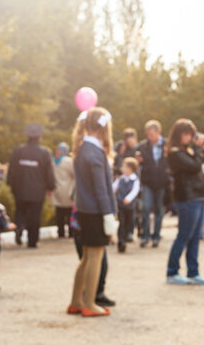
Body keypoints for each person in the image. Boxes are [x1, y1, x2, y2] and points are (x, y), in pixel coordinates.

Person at [68, 107, 119, 317]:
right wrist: (109, 215)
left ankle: (76, 301)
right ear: (104, 127)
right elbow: (101, 189)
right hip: (97, 211)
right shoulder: (94, 153)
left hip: (86, 210)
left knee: (87, 257)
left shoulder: (83, 149)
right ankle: (89, 303)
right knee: (95, 257)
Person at [165, 118, 204, 286]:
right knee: (184, 235)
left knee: (195, 236)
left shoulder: (188, 151)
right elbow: (194, 166)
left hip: (198, 196)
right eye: (187, 134)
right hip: (187, 197)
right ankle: (172, 272)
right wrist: (199, 149)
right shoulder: (175, 153)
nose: (191, 137)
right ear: (179, 135)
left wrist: (199, 149)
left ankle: (193, 272)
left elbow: (197, 164)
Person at [7, 123, 56, 248]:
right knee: (35, 216)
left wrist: (11, 185)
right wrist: (50, 187)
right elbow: (49, 172)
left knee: (20, 212)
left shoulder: (18, 151)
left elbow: (11, 170)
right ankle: (32, 241)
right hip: (37, 192)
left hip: (20, 189)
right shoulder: (44, 153)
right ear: (40, 136)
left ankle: (19, 228)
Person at [134, 120, 168, 248]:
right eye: (148, 134)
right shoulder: (142, 146)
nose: (149, 136)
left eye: (152, 134)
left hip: (162, 182)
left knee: (159, 209)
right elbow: (137, 162)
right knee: (146, 208)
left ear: (158, 132)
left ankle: (156, 236)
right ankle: (145, 235)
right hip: (147, 181)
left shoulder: (167, 145)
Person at [112, 157, 141, 252]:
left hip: (130, 206)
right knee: (121, 223)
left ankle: (125, 238)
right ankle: (121, 241)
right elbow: (113, 188)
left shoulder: (135, 180)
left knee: (128, 223)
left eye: (124, 166)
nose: (121, 168)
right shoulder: (120, 179)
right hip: (121, 205)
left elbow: (135, 191)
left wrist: (128, 198)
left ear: (130, 168)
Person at [52, 143, 76, 238]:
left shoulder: (53, 160)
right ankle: (71, 232)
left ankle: (60, 232)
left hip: (57, 190)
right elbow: (74, 174)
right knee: (69, 212)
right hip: (68, 190)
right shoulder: (69, 161)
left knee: (59, 213)